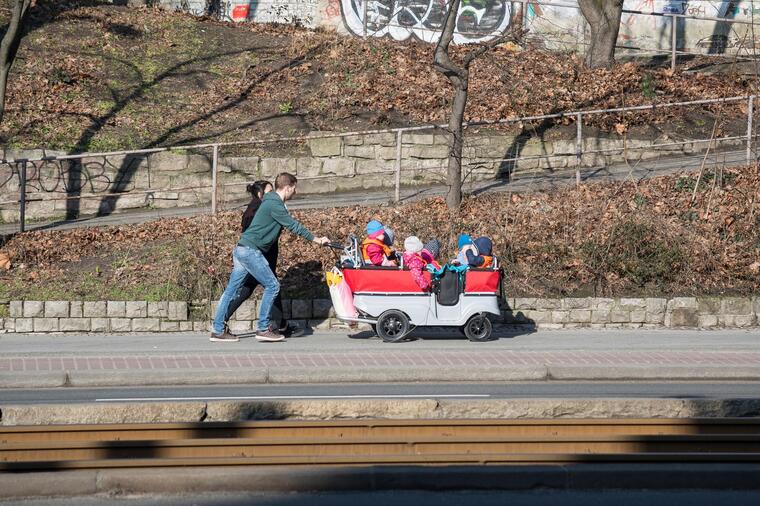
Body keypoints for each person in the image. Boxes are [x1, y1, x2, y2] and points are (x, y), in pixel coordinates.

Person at [211, 172, 329, 342]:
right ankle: (263, 328)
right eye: (294, 189)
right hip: (251, 251)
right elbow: (293, 226)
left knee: (231, 291)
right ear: (288, 187)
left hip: (242, 248)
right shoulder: (274, 203)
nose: (295, 192)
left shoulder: (271, 200)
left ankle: (218, 330)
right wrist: (317, 239)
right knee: (273, 286)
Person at [220, 180, 300, 338]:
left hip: (257, 253)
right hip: (258, 255)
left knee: (249, 288)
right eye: (269, 191)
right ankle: (267, 326)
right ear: (260, 194)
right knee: (270, 286)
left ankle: (220, 324)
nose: (272, 194)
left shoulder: (258, 206)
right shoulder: (258, 207)